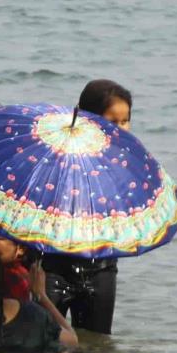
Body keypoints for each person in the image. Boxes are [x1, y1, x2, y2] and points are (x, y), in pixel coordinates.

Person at [41, 79, 132, 335]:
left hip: (101, 267)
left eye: (125, 121)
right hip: (53, 266)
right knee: (41, 350)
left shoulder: (128, 165)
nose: (120, 128)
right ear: (88, 118)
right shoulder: (58, 156)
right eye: (112, 121)